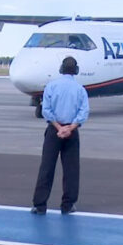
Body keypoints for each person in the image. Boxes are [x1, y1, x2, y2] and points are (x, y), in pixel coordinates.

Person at [31, 56, 89, 215]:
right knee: (71, 169)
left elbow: (46, 111)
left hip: (53, 130)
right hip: (72, 130)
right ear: (76, 70)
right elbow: (83, 112)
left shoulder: (51, 86)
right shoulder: (80, 89)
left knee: (47, 167)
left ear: (61, 69)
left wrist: (58, 127)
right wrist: (70, 127)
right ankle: (68, 204)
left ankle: (40, 204)